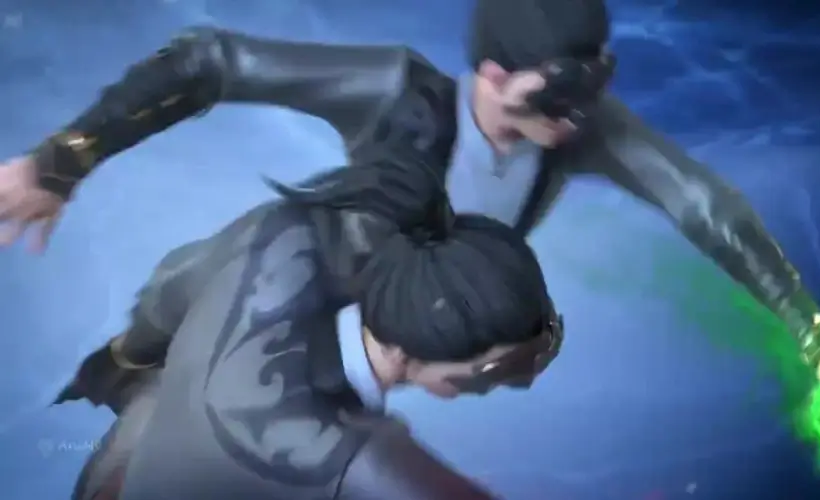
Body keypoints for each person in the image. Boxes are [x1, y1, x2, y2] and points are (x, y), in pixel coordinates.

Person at [0, 0, 820, 438]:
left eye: (591, 92)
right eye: (556, 95)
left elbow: (700, 203)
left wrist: (811, 331)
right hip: (340, 259)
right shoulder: (394, 91)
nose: (574, 119)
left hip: (425, 322)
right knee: (191, 286)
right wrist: (63, 160)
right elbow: (210, 60)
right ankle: (115, 374)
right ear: (493, 75)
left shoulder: (580, 129)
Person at [60, 153, 563, 499]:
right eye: (490, 373)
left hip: (129, 449)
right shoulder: (331, 450)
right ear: (404, 353)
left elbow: (170, 287)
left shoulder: (281, 238)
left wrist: (122, 357)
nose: (512, 384)